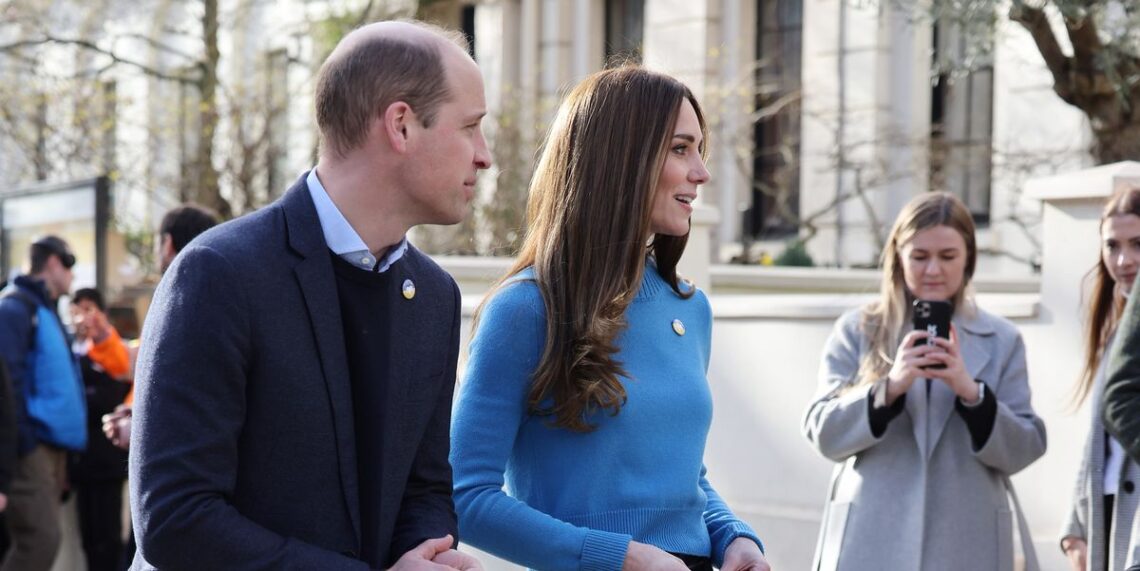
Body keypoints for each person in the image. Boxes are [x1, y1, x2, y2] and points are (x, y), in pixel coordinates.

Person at [128, 20, 489, 571]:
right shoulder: (219, 273)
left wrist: (427, 554)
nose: (484, 156)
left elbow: (427, 489)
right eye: (471, 128)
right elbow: (176, 518)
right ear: (401, 125)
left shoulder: (436, 296)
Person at [450, 66, 769, 571]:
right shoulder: (527, 309)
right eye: (681, 149)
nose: (702, 173)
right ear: (622, 158)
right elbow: (467, 496)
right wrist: (615, 556)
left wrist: (732, 535)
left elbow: (682, 476)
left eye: (699, 150)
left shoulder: (690, 309)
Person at [801, 192, 1047, 571]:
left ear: (969, 259)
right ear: (898, 258)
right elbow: (822, 432)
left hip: (969, 541)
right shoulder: (858, 330)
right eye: (919, 256)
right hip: (871, 538)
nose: (933, 269)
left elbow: (1026, 447)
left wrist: (972, 394)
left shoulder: (1002, 339)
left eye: (947, 256)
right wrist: (888, 389)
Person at [1062, 186, 1140, 571]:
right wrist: (1073, 525)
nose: (1124, 260)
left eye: (1138, 243)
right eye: (1112, 246)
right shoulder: (1111, 333)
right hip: (1103, 513)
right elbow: (1099, 436)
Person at [101, 203, 220, 451]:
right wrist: (136, 412)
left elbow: (176, 389)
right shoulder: (216, 291)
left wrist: (138, 426)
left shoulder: (180, 296)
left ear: (166, 244)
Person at [0, 235, 86, 571]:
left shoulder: (42, 309)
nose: (72, 274)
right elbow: (8, 386)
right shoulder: (14, 309)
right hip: (31, 451)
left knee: (46, 540)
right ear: (52, 262)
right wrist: (26, 445)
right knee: (40, 540)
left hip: (51, 450)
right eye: (69, 264)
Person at [69, 287, 131, 571]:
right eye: (78, 309)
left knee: (107, 539)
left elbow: (119, 371)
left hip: (107, 460)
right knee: (89, 538)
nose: (84, 317)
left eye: (90, 308)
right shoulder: (70, 351)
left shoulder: (110, 348)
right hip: (82, 462)